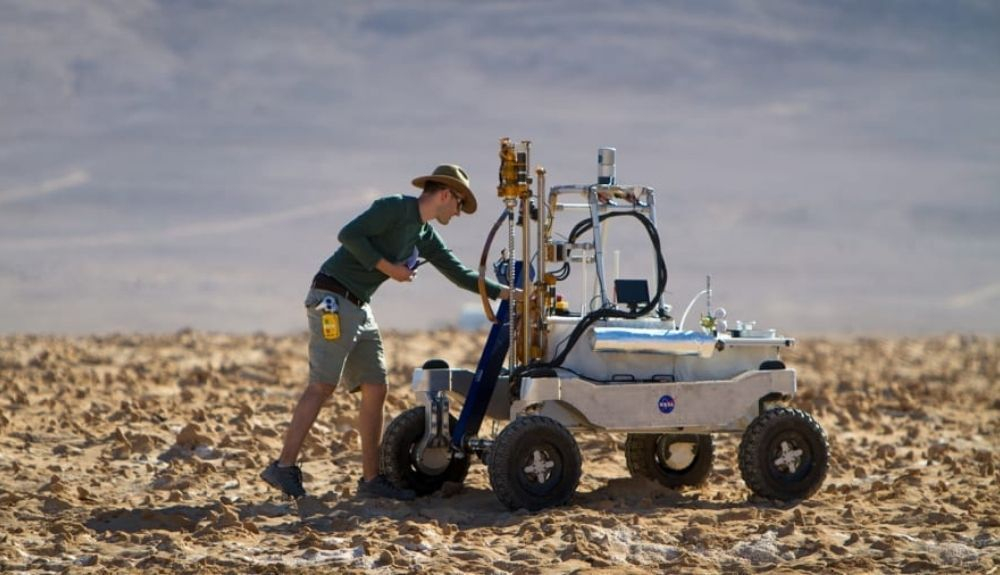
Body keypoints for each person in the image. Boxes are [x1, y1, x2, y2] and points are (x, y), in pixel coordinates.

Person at [261, 164, 510, 500]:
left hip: (360, 305)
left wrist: (505, 293)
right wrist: (389, 268)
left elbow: (460, 273)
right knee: (322, 385)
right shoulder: (393, 208)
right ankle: (284, 466)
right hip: (332, 296)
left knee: (376, 388)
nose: (460, 212)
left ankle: (371, 480)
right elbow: (349, 235)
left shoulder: (424, 236)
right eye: (459, 205)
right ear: (445, 194)